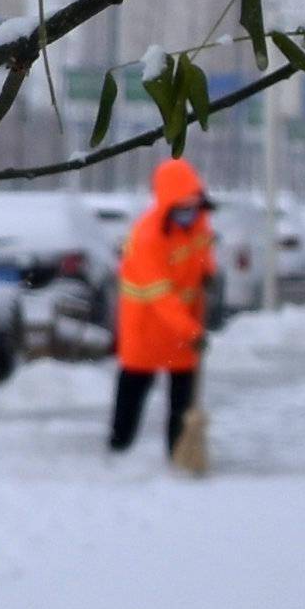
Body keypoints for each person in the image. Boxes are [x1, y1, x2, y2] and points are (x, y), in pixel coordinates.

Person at [111, 156, 216, 463]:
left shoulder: (197, 223)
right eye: (182, 206)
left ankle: (179, 455)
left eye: (192, 204)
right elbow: (161, 296)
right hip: (146, 330)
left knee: (182, 403)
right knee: (132, 395)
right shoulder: (146, 238)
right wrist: (192, 331)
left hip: (182, 331)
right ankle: (118, 454)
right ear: (167, 203)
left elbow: (201, 253)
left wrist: (207, 270)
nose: (189, 212)